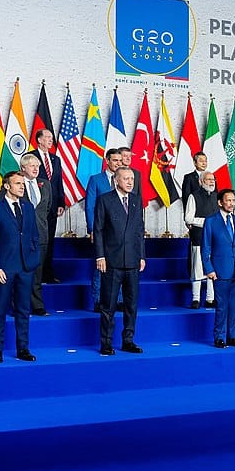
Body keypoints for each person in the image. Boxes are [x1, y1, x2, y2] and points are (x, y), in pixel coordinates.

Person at [0, 171, 39, 363]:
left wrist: (33, 261)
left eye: (22, 184)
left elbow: (34, 236)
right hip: (4, 269)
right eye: (17, 183)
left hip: (25, 268)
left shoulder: (29, 207)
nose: (22, 186)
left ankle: (23, 348)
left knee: (24, 310)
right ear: (7, 186)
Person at [94, 167, 146, 356]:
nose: (130, 182)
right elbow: (98, 230)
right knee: (108, 305)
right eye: (126, 179)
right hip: (111, 261)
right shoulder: (105, 200)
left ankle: (128, 340)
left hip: (132, 260)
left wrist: (142, 256)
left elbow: (140, 230)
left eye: (132, 178)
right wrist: (100, 256)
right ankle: (106, 343)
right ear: (117, 181)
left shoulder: (135, 200)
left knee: (131, 304)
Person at [201, 188, 235, 348]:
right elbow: (206, 247)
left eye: (233, 201)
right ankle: (219, 336)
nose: (231, 203)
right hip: (220, 270)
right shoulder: (211, 221)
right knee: (221, 306)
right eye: (228, 200)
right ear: (220, 202)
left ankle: (232, 336)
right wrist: (209, 268)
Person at [85, 148, 122, 312]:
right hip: (102, 230)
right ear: (107, 161)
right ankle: (98, 300)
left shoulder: (124, 179)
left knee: (121, 265)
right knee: (101, 265)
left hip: (120, 232)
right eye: (115, 160)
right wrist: (92, 229)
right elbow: (90, 206)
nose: (118, 164)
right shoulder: (96, 180)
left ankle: (119, 300)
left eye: (120, 161)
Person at [27, 129, 65, 283]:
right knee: (37, 241)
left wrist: (61, 202)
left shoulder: (56, 159)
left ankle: (47, 273)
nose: (51, 140)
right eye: (47, 137)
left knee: (49, 241)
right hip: (38, 208)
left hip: (53, 206)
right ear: (39, 140)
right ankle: (36, 274)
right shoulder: (30, 157)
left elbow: (58, 183)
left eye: (51, 137)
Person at [19, 153, 52, 317]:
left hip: (40, 235)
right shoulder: (15, 183)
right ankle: (19, 305)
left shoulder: (45, 184)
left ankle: (37, 305)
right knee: (20, 273)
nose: (35, 168)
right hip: (20, 237)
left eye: (37, 166)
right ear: (23, 167)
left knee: (37, 274)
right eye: (32, 165)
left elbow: (46, 209)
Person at [184, 171, 218, 308]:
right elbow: (188, 218)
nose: (211, 182)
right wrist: (207, 222)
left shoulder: (217, 196)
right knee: (197, 268)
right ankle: (196, 299)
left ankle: (210, 299)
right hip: (198, 237)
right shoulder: (194, 196)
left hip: (214, 239)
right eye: (208, 179)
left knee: (212, 268)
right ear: (201, 181)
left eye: (213, 179)